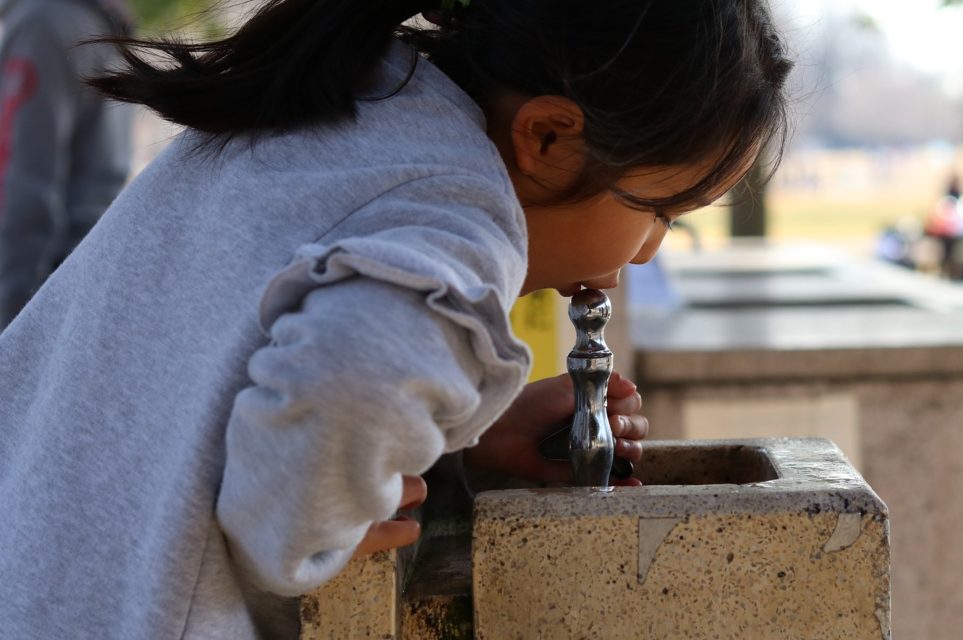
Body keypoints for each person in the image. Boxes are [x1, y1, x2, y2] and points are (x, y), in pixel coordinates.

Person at [0, 0, 791, 638]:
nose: (649, 251)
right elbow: (357, 366)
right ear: (549, 136)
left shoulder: (353, 102)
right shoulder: (461, 212)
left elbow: (239, 370)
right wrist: (311, 530)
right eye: (659, 211)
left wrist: (460, 430)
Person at [0, 0, 134, 326]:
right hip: (72, 297)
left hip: (36, 301)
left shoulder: (44, 23)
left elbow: (24, 195)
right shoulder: (95, 25)